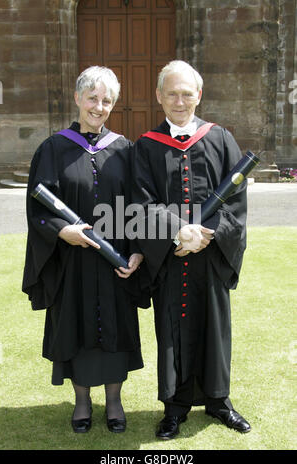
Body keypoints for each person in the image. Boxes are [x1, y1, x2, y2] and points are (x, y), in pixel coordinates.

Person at [131, 60, 251, 439]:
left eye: (187, 93)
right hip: (171, 258)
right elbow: (141, 202)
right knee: (171, 331)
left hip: (212, 257)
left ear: (198, 95)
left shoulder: (220, 139)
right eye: (172, 93)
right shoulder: (146, 146)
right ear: (159, 97)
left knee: (215, 329)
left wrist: (208, 233)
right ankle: (175, 407)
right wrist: (179, 233)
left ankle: (219, 402)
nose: (179, 101)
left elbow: (237, 199)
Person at [22, 66, 145, 434]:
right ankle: (81, 402)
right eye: (92, 98)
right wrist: (63, 232)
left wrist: (138, 251)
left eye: (107, 100)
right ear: (77, 99)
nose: (99, 106)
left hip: (114, 262)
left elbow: (139, 206)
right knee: (74, 327)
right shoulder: (53, 149)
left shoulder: (124, 149)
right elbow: (38, 208)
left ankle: (114, 400)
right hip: (72, 262)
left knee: (116, 329)